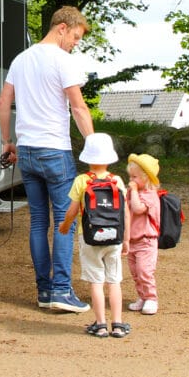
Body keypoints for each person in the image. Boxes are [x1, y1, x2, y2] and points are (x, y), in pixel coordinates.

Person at [0, 5, 94, 313]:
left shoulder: (20, 59)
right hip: (55, 151)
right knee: (66, 221)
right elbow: (78, 108)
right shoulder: (62, 61)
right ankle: (62, 291)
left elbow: (3, 101)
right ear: (62, 27)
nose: (75, 43)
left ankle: (44, 291)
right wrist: (93, 147)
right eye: (76, 37)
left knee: (39, 221)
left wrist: (7, 142)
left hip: (26, 151)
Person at [57, 133, 131, 338]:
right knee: (114, 281)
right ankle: (118, 324)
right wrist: (126, 238)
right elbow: (125, 212)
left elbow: (72, 210)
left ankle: (100, 325)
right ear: (109, 158)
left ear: (87, 157)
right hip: (114, 236)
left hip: (89, 237)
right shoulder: (117, 181)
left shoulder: (81, 181)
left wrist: (65, 225)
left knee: (96, 282)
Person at [125, 153, 161, 315]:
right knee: (135, 271)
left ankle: (151, 298)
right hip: (132, 240)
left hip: (146, 240)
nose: (131, 180)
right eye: (130, 176)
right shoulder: (134, 193)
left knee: (144, 270)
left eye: (135, 177)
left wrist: (132, 191)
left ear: (146, 178)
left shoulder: (150, 195)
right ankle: (142, 296)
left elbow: (138, 209)